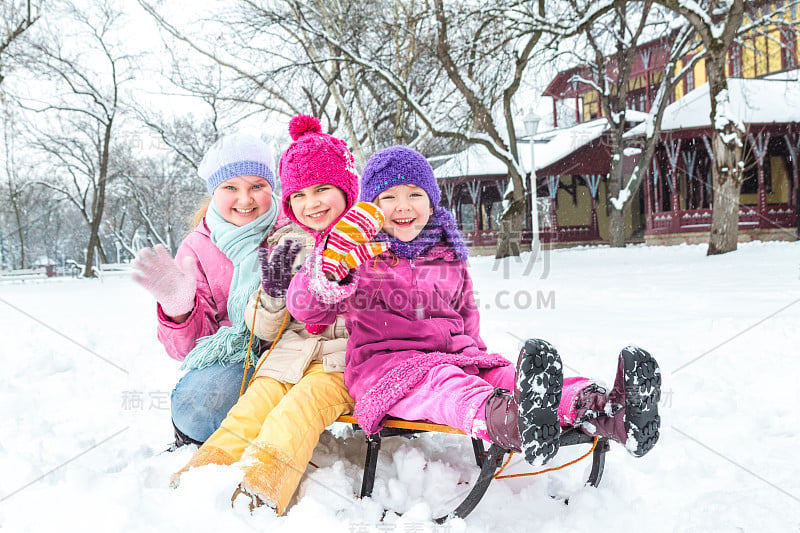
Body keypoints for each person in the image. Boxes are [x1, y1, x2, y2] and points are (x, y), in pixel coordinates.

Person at [287, 145, 662, 467]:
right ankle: (512, 422)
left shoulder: (447, 253)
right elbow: (306, 310)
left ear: (431, 201)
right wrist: (329, 268)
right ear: (371, 207)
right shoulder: (358, 256)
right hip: (390, 369)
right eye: (389, 198)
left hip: (457, 356)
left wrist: (478, 358)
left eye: (415, 195)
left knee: (508, 376)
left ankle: (607, 411)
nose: (403, 206)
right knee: (447, 385)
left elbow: (466, 316)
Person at [170, 115, 382, 514]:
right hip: (285, 357)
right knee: (248, 410)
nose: (311, 203)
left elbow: (384, 308)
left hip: (340, 362)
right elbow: (265, 327)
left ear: (346, 189)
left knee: (294, 413)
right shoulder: (286, 241)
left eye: (323, 189)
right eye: (299, 194)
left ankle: (264, 487)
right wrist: (272, 292)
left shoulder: (368, 240)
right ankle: (202, 473)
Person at [131, 132, 281, 448]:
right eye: (231, 188)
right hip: (236, 359)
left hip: (292, 348)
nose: (245, 199)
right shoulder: (197, 248)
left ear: (272, 187)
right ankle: (203, 434)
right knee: (198, 402)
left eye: (257, 186)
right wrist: (179, 309)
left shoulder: (292, 227)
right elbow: (187, 350)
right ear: (214, 191)